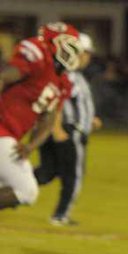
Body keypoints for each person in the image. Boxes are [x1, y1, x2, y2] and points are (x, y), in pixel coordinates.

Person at [0, 22, 82, 211]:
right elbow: (4, 77)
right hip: (2, 131)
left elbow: (48, 118)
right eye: (69, 44)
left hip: (9, 136)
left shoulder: (62, 82)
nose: (73, 51)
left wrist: (31, 145)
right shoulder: (39, 56)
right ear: (53, 43)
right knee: (26, 191)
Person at [34, 32, 102, 225]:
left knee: (47, 172)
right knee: (73, 175)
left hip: (61, 129)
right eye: (85, 53)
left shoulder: (68, 74)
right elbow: (57, 102)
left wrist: (90, 119)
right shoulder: (68, 75)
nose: (87, 58)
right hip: (67, 131)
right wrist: (57, 129)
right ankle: (61, 215)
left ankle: (8, 186)